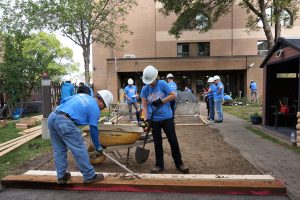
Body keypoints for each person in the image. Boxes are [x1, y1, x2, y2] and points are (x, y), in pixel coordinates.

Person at [47, 90, 113, 184]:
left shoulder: (84, 96)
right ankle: (89, 176)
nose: (102, 109)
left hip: (53, 116)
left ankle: (61, 176)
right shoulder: (95, 108)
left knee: (59, 149)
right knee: (79, 148)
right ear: (101, 101)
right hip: (64, 121)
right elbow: (93, 129)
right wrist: (97, 146)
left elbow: (63, 101)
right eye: (104, 107)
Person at [140, 65, 189, 174]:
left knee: (173, 141)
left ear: (156, 77)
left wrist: (161, 101)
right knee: (157, 143)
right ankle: (159, 165)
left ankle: (179, 163)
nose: (150, 83)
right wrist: (146, 120)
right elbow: (144, 105)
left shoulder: (162, 84)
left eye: (152, 81)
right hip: (154, 120)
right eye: (149, 82)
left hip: (167, 118)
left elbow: (173, 95)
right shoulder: (145, 89)